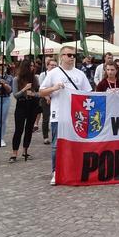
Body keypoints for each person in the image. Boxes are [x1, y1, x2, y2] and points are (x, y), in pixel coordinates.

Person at [39, 46, 92, 186]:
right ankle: (55, 171)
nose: (72, 57)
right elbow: (41, 92)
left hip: (76, 115)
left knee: (78, 143)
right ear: (61, 56)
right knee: (57, 144)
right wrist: (54, 88)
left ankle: (75, 170)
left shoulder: (80, 74)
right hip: (59, 113)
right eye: (68, 55)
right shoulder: (53, 73)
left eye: (74, 55)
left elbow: (88, 93)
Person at [9, 59, 40, 162]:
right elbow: (15, 95)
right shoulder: (16, 79)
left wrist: (33, 94)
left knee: (29, 129)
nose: (32, 68)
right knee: (19, 129)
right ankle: (14, 153)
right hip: (21, 105)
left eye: (33, 66)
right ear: (25, 67)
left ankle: (25, 151)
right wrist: (24, 89)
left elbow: (39, 93)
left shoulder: (35, 78)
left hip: (33, 105)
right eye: (30, 66)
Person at [0, 57, 13, 147]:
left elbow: (10, 90)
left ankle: (1, 138)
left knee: (3, 119)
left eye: (5, 64)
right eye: (1, 64)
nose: (3, 66)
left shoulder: (9, 77)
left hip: (6, 98)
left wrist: (5, 84)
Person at [38, 58, 57, 144]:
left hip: (55, 98)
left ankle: (55, 136)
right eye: (51, 65)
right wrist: (47, 97)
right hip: (45, 98)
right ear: (47, 66)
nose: (53, 67)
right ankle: (45, 137)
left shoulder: (58, 74)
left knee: (55, 117)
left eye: (55, 65)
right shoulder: (43, 74)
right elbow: (41, 87)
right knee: (46, 118)